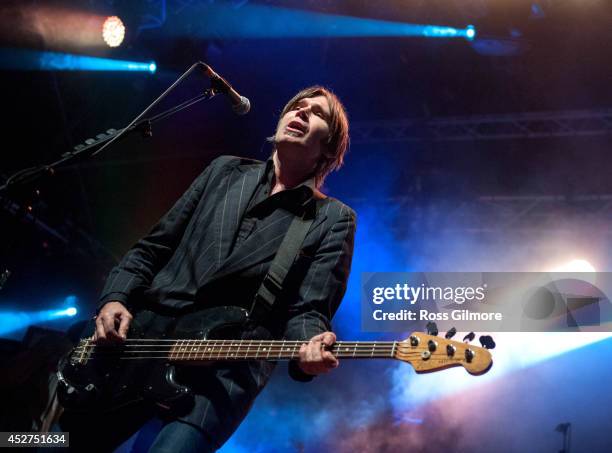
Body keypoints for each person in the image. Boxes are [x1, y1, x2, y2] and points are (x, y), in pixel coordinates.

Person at [59, 86, 356, 452]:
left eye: (316, 113)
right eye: (296, 106)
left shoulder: (331, 218)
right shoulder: (223, 171)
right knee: (46, 444)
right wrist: (115, 298)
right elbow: (155, 246)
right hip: (142, 342)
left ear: (328, 147)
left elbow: (309, 307)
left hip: (222, 371)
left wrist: (310, 347)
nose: (300, 113)